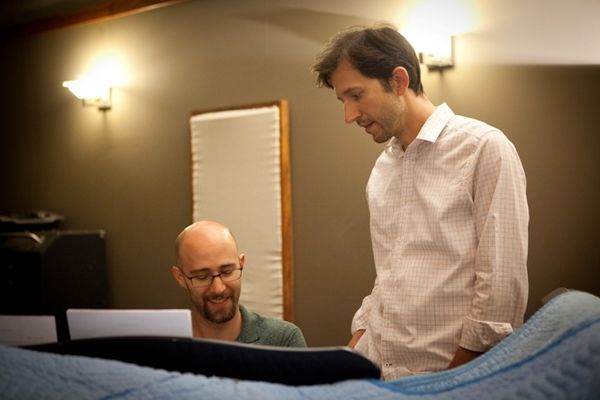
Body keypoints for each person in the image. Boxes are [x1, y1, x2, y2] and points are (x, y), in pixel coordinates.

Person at [312, 25, 529, 380]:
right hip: (380, 378)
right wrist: (346, 361)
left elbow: (500, 293)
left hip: (450, 381)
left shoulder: (484, 149)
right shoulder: (382, 169)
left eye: (356, 95)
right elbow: (388, 278)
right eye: (343, 101)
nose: (349, 115)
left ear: (398, 80)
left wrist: (451, 384)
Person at [171, 220, 306, 347]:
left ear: (241, 264)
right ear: (180, 277)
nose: (218, 288)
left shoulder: (283, 340)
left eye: (227, 272)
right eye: (202, 277)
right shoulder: (165, 345)